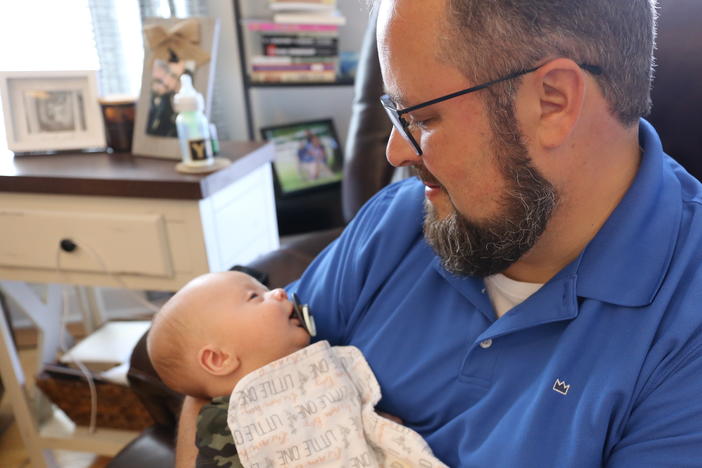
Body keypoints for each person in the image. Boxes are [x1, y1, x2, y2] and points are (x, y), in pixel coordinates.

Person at [178, 1, 702, 466]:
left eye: (422, 117)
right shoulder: (397, 222)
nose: (396, 153)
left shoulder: (686, 326)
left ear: (554, 100)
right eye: (393, 112)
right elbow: (225, 384)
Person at [149, 271, 447, 468]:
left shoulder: (325, 368)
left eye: (264, 290)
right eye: (255, 297)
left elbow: (356, 418)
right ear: (219, 359)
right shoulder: (227, 423)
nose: (279, 292)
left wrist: (380, 428)